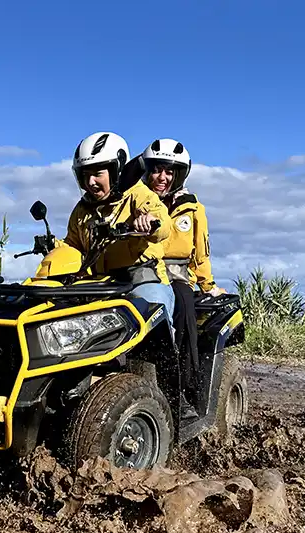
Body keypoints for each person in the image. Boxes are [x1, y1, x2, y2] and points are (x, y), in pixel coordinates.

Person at [62, 131, 175, 325]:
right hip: (99, 285)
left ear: (116, 170)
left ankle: (163, 355)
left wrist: (150, 222)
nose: (90, 182)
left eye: (97, 174)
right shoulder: (82, 210)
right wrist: (54, 249)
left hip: (141, 281)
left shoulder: (137, 194)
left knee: (151, 311)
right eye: (85, 175)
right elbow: (72, 244)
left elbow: (164, 224)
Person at [141, 138, 224, 376]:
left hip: (176, 275)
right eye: (156, 170)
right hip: (139, 271)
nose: (162, 178)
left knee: (185, 310)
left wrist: (208, 285)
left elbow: (200, 252)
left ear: (180, 175)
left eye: (169, 172)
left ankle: (186, 381)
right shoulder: (135, 202)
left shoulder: (193, 208)